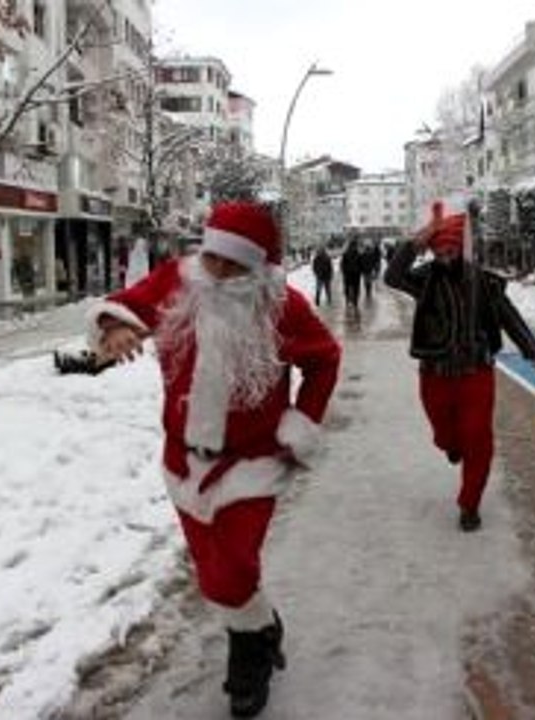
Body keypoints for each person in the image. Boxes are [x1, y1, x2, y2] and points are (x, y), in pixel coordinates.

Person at [88, 201, 341, 718]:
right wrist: (115, 325)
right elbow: (126, 303)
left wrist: (302, 420)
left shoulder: (283, 307)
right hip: (183, 463)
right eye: (213, 259)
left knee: (233, 569)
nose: (220, 273)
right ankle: (262, 625)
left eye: (235, 264)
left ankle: (247, 658)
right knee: (212, 571)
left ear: (260, 267)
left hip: (253, 464)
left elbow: (325, 360)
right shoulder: (179, 282)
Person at [384, 201, 535, 533]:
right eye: (439, 249)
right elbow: (392, 276)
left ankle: (469, 504)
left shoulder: (486, 283)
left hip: (477, 373)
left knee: (479, 439)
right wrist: (418, 241)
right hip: (435, 374)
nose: (445, 255)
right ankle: (450, 444)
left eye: (451, 248)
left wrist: (534, 355)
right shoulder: (425, 280)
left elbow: (509, 318)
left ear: (462, 248)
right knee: (445, 433)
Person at [339, 239, 363, 316]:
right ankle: (353, 301)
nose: (355, 247)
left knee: (350, 288)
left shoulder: (347, 254)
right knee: (354, 288)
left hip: (351, 275)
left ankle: (351, 301)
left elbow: (342, 265)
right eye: (355, 245)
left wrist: (344, 271)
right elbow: (343, 264)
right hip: (353, 275)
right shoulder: (355, 254)